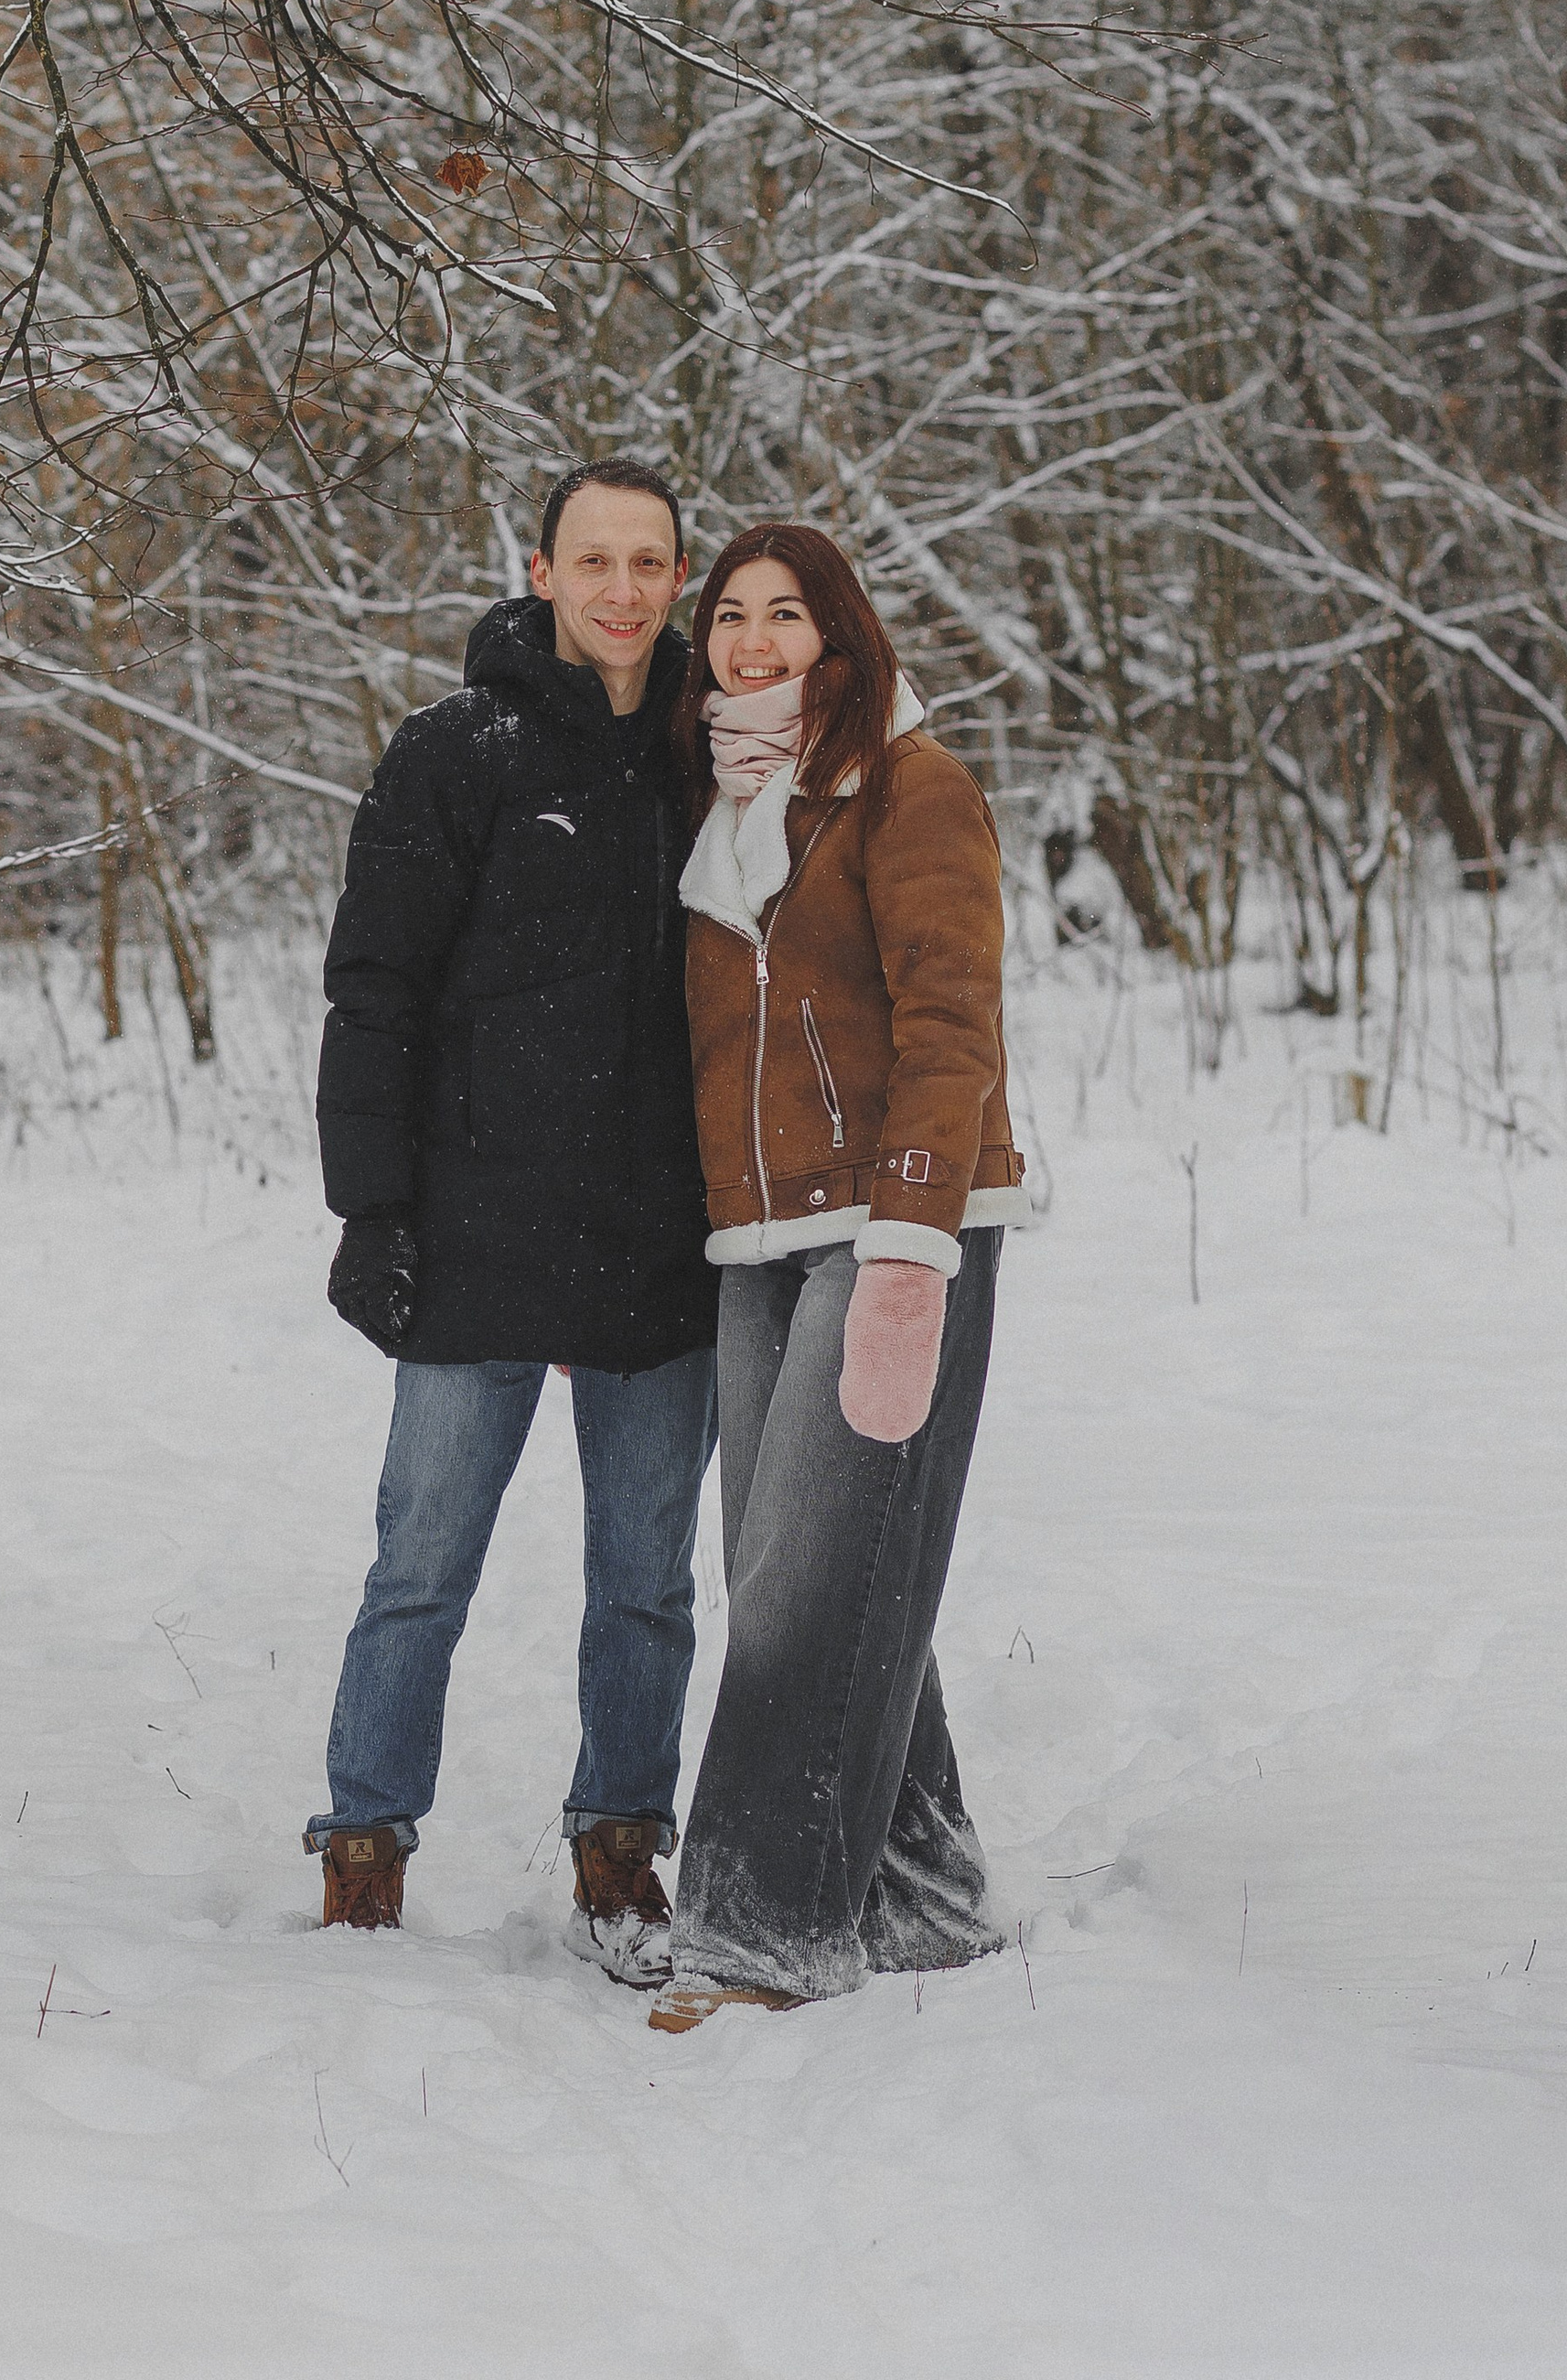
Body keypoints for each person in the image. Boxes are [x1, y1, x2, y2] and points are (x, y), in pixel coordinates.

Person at [307, 461, 719, 1985]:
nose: (623, 588)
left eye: (649, 561)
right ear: (542, 572)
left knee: (647, 1582)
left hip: (664, 1242)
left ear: (678, 576)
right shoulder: (453, 751)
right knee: (420, 1564)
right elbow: (375, 991)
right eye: (593, 559)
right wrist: (374, 1211)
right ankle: (365, 1842)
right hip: (477, 1232)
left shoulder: (714, 757)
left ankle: (621, 1843)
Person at [647, 523, 1030, 2032]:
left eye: (785, 613)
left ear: (840, 634)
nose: (752, 639)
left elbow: (954, 1025)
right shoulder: (726, 801)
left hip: (894, 1226)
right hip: (760, 1241)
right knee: (803, 1565)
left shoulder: (912, 788)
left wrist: (913, 1244)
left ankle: (762, 1929)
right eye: (730, 614)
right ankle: (921, 1889)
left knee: (811, 1578)